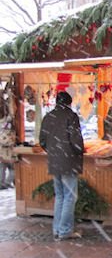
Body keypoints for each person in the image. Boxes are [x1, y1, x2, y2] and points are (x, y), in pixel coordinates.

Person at [40, 91, 84, 241]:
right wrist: (79, 150)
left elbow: (43, 141)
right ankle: (65, 230)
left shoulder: (48, 117)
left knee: (59, 196)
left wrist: (54, 152)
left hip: (54, 161)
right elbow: (76, 140)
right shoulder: (71, 117)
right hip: (68, 161)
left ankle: (57, 229)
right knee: (70, 197)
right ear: (69, 103)